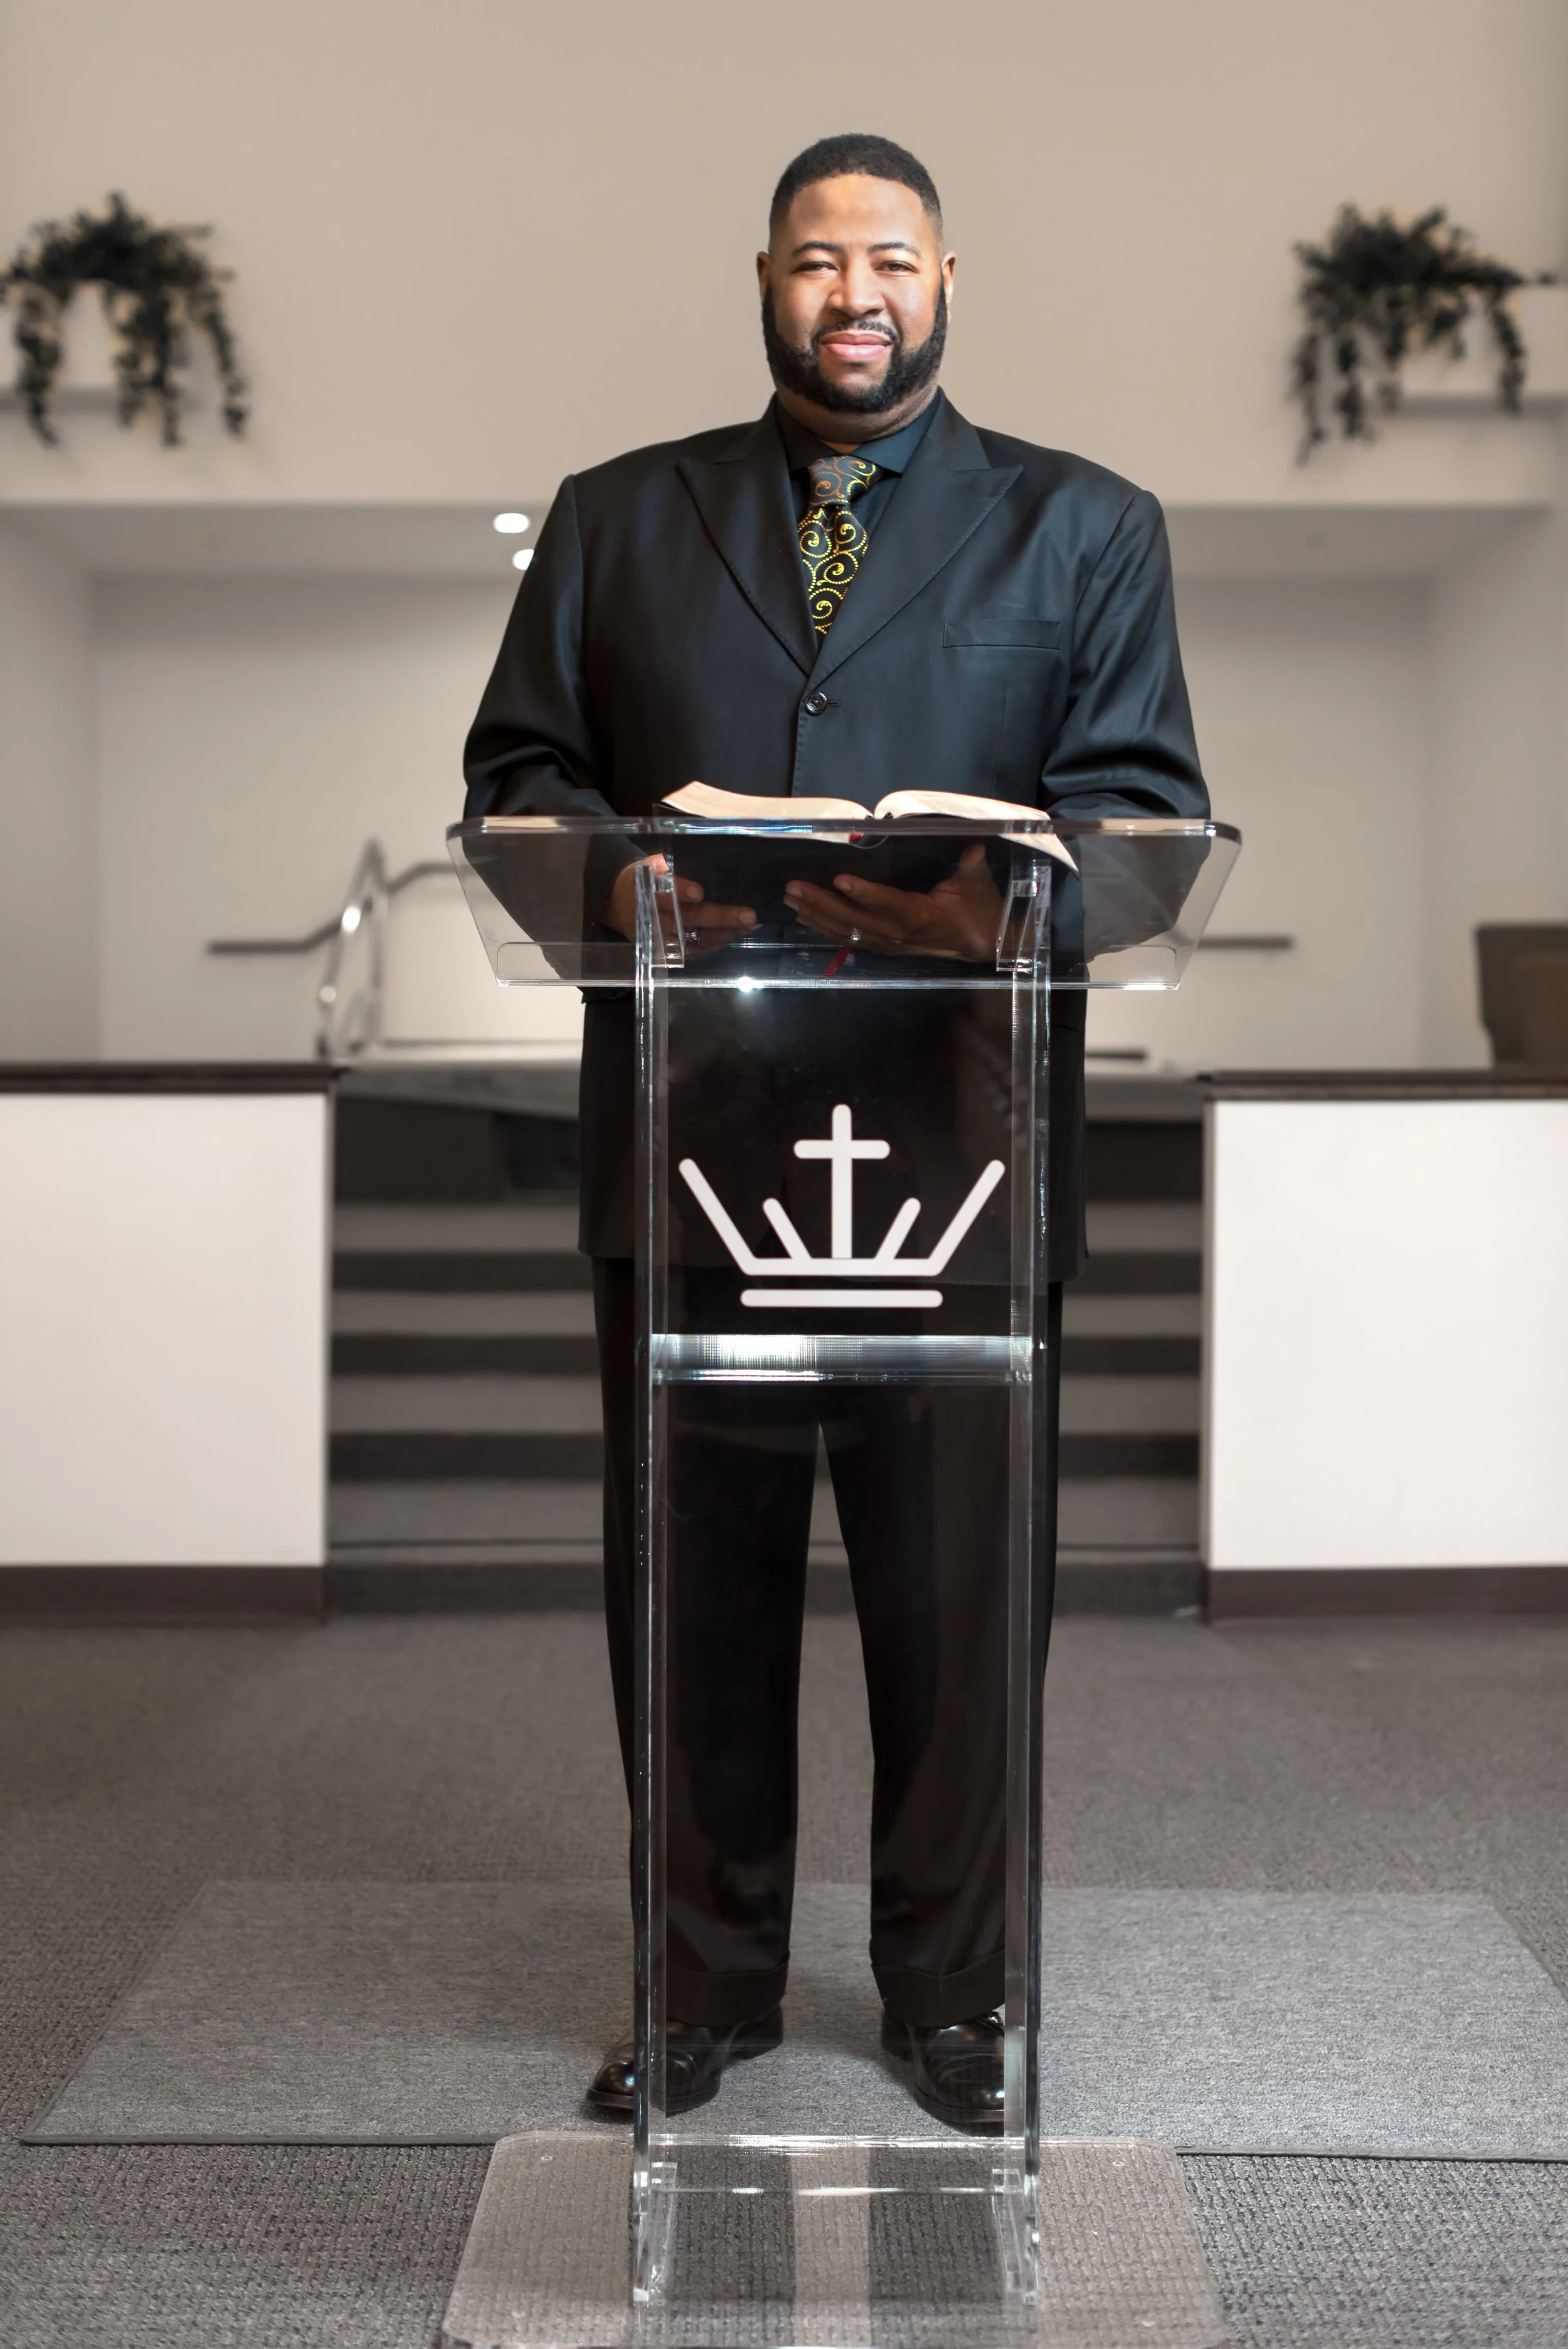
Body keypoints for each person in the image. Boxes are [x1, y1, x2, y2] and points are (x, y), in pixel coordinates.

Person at [464, 132, 1207, 2131]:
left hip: (960, 1143)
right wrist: (644, 874)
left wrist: (978, 897)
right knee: (686, 1598)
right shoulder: (619, 520)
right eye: (815, 258)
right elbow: (520, 782)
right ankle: (694, 1989)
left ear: (949, 277)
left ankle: (955, 2000)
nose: (851, 290)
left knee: (957, 1603)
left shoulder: (1086, 528)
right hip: (689, 1139)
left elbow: (1139, 819)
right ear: (764, 278)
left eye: (887, 256)